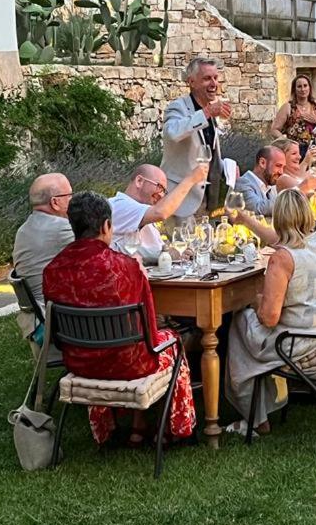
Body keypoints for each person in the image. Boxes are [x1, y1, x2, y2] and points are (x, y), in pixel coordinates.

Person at [43, 192, 196, 447]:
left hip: (80, 361)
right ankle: (176, 428)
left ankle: (131, 426)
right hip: (128, 364)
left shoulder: (53, 269)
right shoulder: (125, 267)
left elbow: (58, 333)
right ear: (106, 226)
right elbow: (149, 329)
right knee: (171, 339)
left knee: (132, 342)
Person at [225, 190, 316, 435]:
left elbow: (269, 318)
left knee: (240, 321)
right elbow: (280, 239)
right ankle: (264, 403)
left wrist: (254, 301)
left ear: (278, 217)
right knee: (247, 322)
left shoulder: (282, 259)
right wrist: (245, 219)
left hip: (296, 341)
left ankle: (255, 417)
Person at [161, 57, 232, 219]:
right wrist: (207, 113)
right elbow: (172, 133)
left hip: (207, 203)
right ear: (191, 82)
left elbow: (207, 152)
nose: (214, 84)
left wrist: (228, 168)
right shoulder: (178, 107)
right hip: (181, 202)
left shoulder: (210, 110)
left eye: (216, 78)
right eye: (207, 78)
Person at [109, 162, 209, 262]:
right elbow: (161, 213)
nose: (161, 195)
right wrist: (190, 179)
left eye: (164, 191)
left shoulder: (143, 213)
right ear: (139, 181)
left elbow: (156, 250)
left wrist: (176, 252)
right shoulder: (119, 205)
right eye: (159, 187)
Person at [13, 173, 74, 310]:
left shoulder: (23, 230)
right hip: (58, 313)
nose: (73, 200)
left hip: (38, 313)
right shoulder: (62, 228)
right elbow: (104, 255)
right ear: (55, 202)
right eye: (70, 195)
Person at [270, 74, 316, 154]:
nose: (303, 89)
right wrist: (287, 143)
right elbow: (274, 130)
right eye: (299, 86)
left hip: (313, 150)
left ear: (309, 87)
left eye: (305, 86)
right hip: (294, 152)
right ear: (294, 90)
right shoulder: (288, 107)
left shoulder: (315, 105)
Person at [234, 145, 286, 216]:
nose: (281, 172)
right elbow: (257, 208)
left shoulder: (272, 187)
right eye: (278, 166)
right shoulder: (242, 183)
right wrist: (289, 201)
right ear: (262, 163)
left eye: (283, 167)